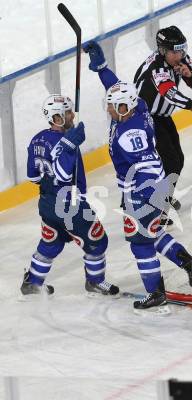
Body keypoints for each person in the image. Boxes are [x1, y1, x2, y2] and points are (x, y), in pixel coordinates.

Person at [84, 41, 192, 315]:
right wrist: (102, 69)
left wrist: (141, 197)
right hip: (151, 188)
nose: (108, 109)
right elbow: (117, 87)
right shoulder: (138, 107)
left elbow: (146, 164)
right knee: (154, 234)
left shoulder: (131, 134)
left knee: (140, 243)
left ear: (123, 108)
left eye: (112, 106)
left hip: (142, 191)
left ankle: (156, 293)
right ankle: (190, 264)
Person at [22, 94, 119, 298]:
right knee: (98, 241)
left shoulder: (37, 138)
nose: (72, 114)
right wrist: (69, 146)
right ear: (57, 118)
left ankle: (32, 281)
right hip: (70, 206)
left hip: (47, 203)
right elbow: (63, 174)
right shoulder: (65, 142)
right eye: (67, 112)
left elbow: (32, 177)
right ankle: (95, 281)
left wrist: (50, 187)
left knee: (52, 242)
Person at [133, 25, 192, 226]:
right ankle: (157, 208)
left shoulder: (181, 58)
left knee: (177, 159)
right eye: (175, 51)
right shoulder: (157, 67)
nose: (180, 55)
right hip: (145, 117)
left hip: (161, 115)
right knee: (169, 160)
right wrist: (191, 106)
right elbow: (169, 93)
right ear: (163, 50)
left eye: (182, 49)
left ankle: (162, 197)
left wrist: (188, 74)